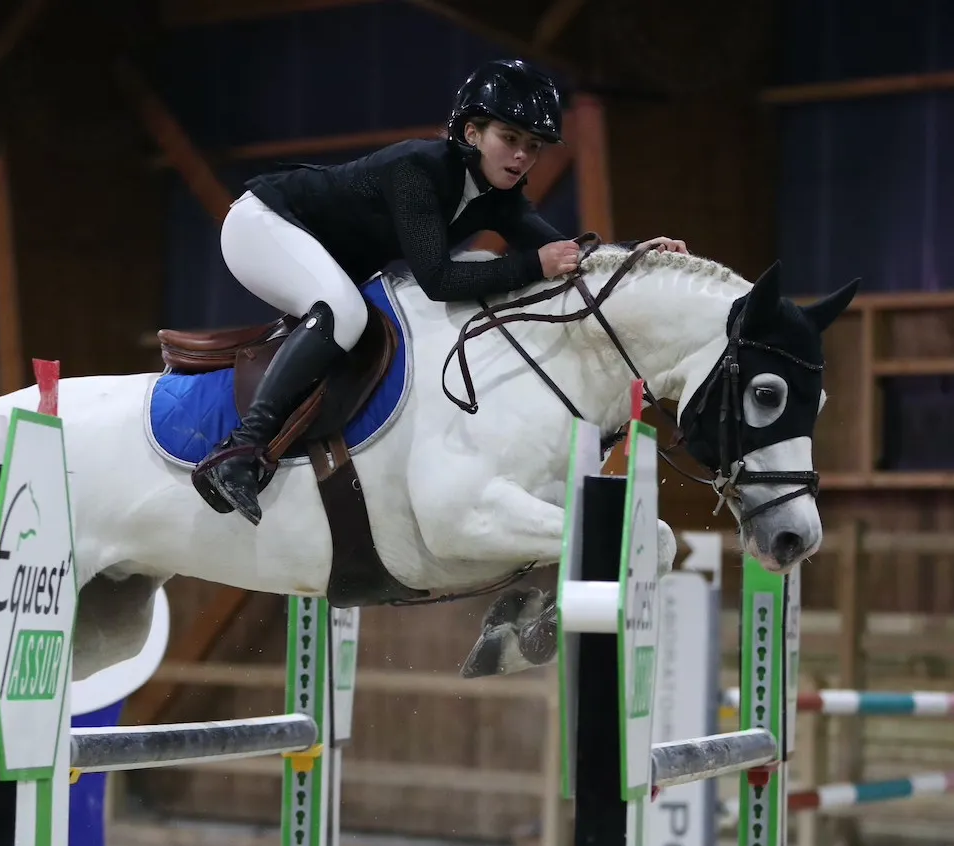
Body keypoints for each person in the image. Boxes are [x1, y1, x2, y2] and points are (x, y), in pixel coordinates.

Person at [192, 57, 687, 525]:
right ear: (472, 133)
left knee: (351, 315)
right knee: (344, 314)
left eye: (533, 146)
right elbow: (440, 282)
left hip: (310, 244)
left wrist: (634, 253)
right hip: (262, 224)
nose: (522, 155)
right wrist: (533, 264)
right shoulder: (418, 169)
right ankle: (239, 451)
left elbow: (562, 251)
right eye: (509, 137)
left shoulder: (499, 198)